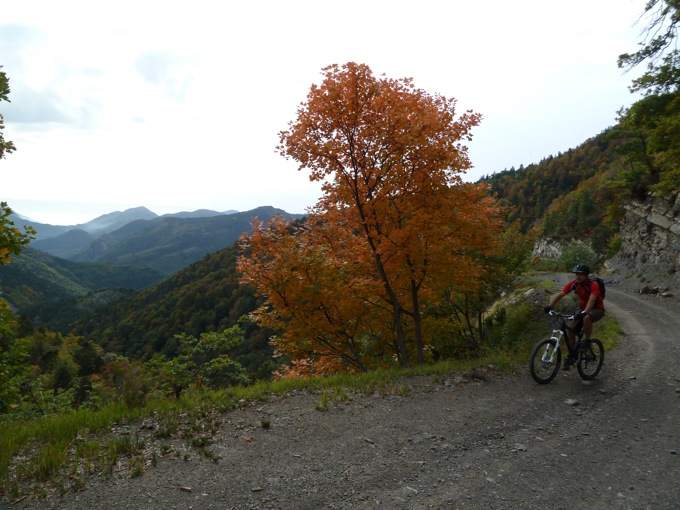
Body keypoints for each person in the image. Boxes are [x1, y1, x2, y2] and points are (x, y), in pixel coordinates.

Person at [544, 264, 605, 371]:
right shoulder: (574, 284)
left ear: (586, 275)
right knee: (570, 332)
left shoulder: (593, 284)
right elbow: (560, 294)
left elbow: (592, 300)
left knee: (586, 318)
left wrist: (585, 312)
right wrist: (550, 306)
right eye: (576, 274)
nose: (578, 276)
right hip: (582, 308)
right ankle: (570, 357)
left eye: (581, 274)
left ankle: (587, 341)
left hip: (597, 309)